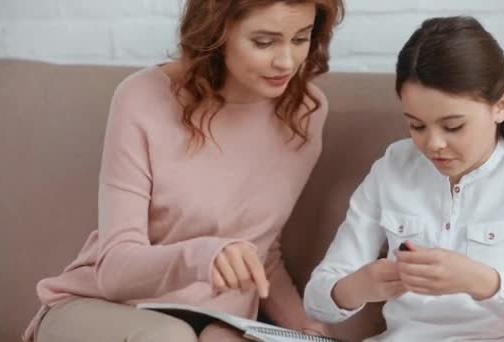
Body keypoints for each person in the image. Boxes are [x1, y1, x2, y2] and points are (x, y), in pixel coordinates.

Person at [23, 0, 344, 341]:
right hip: (104, 308)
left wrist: (308, 331)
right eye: (263, 42)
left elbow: (261, 251)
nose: (287, 61)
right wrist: (205, 256)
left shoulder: (304, 111)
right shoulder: (141, 97)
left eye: (301, 38)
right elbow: (114, 269)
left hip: (216, 322)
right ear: (217, 32)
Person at [304, 16, 504, 341]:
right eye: (416, 125)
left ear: (501, 106)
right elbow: (317, 301)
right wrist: (360, 285)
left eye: (453, 126)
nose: (433, 145)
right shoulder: (393, 166)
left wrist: (483, 282)